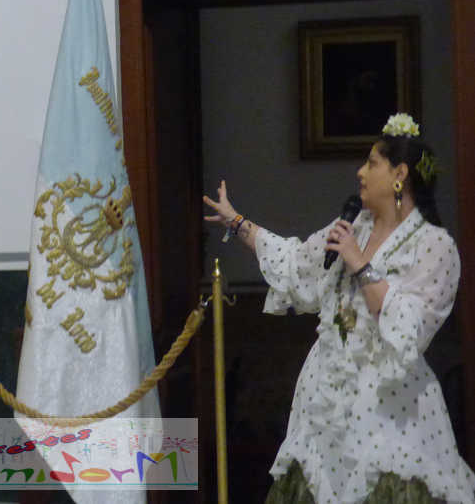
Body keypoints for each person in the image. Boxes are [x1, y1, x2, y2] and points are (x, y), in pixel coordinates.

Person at [203, 113, 475, 503]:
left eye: (372, 164)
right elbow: (297, 265)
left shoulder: (434, 245)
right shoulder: (352, 227)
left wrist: (360, 263)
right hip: (325, 395)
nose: (360, 172)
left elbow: (412, 327)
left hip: (389, 404)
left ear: (399, 175)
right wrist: (238, 223)